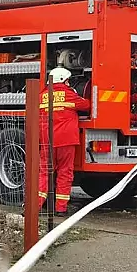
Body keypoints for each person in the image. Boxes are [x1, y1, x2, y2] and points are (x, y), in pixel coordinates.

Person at [38, 67, 91, 216]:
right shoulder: (69, 95)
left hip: (46, 140)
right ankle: (60, 208)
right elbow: (86, 105)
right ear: (63, 80)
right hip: (66, 141)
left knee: (44, 173)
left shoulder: (42, 95)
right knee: (64, 173)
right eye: (68, 80)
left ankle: (35, 206)